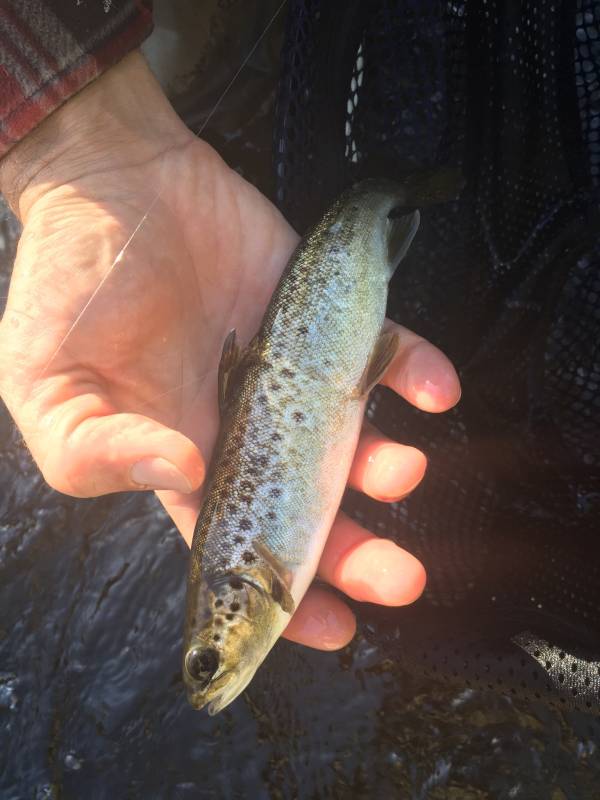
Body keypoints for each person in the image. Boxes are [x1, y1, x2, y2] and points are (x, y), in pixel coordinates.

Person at [0, 4, 461, 651]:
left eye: (207, 662)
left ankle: (373, 180)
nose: (214, 674)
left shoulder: (251, 579)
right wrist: (76, 150)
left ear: (233, 612)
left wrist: (74, 154)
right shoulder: (251, 582)